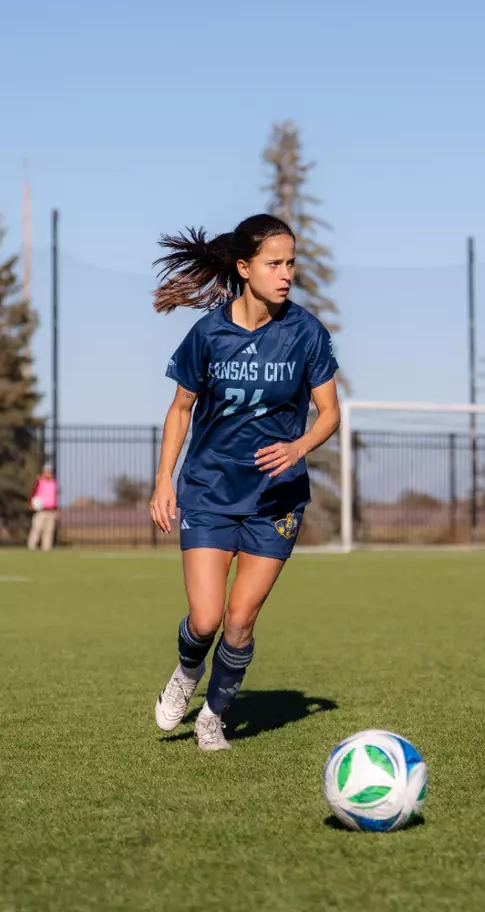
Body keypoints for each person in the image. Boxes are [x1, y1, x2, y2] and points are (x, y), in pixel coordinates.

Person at [147, 213, 341, 752]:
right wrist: (164, 480)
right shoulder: (209, 332)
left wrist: (299, 447)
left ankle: (214, 715)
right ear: (244, 267)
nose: (286, 274)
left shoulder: (305, 332)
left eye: (291, 263)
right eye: (274, 263)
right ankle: (187, 673)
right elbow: (180, 409)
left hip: (275, 500)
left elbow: (329, 414)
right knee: (206, 618)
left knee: (239, 620)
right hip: (209, 490)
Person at [28, 463, 59, 551]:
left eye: (50, 472)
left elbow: (54, 497)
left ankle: (47, 547)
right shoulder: (39, 481)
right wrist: (31, 504)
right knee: (37, 529)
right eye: (48, 471)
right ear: (44, 472)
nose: (49, 473)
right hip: (41, 510)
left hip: (51, 510)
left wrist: (56, 509)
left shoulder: (53, 483)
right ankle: (32, 546)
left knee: (49, 530)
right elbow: (33, 493)